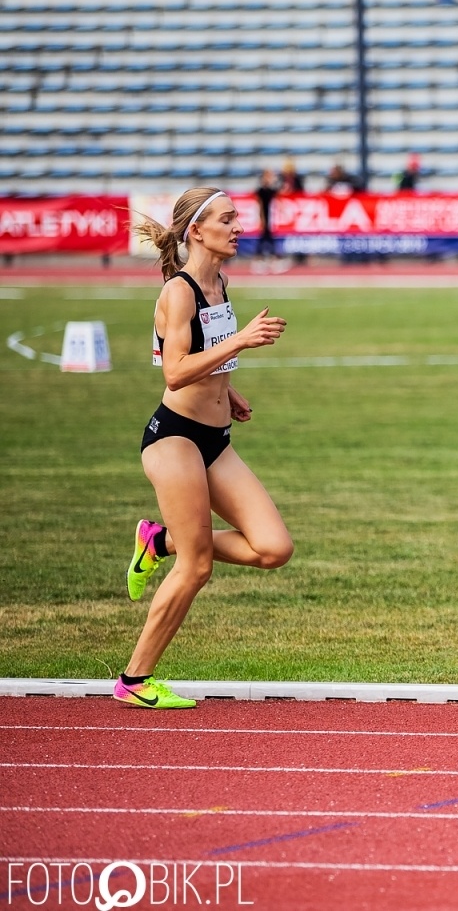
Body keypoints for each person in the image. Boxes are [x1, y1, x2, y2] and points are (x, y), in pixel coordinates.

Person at [120, 188, 292, 709]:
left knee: (273, 548)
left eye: (237, 217)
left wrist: (228, 389)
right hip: (174, 438)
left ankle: (159, 541)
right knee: (197, 567)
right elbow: (173, 373)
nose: (238, 225)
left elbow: (201, 354)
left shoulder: (220, 280)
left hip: (215, 439)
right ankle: (134, 680)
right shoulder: (180, 291)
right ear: (197, 230)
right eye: (227, 218)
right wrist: (240, 342)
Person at [253, 169, 278, 258]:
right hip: (265, 214)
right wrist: (261, 217)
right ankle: (262, 254)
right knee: (265, 235)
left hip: (271, 216)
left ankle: (267, 254)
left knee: (267, 236)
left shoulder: (272, 191)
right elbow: (260, 204)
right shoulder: (261, 191)